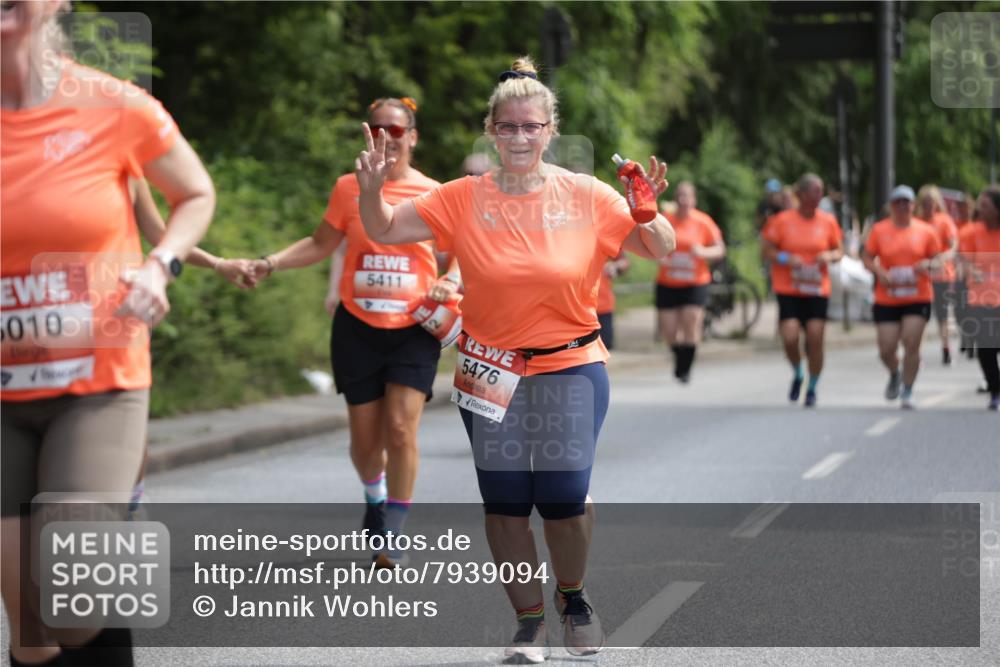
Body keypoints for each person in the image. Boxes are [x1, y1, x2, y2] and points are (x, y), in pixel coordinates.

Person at [354, 56, 675, 661]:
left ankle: (572, 596)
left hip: (569, 363)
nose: (520, 138)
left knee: (562, 497)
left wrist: (647, 211)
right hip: (488, 366)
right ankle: (528, 623)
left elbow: (659, 249)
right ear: (491, 131)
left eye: (532, 127)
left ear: (551, 130)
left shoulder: (585, 194)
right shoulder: (462, 197)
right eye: (508, 128)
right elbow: (388, 227)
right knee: (504, 502)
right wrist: (372, 195)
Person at [1, 2, 215, 665]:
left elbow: (195, 193)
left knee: (79, 597)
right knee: (30, 624)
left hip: (98, 381)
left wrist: (161, 264)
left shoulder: (114, 106)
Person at [239, 97, 458, 567]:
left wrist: (451, 279)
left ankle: (394, 529)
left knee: (400, 429)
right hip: (357, 324)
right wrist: (270, 262)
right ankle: (374, 496)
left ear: (413, 137)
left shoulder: (435, 192)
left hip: (414, 327)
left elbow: (462, 249)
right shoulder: (348, 188)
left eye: (397, 131)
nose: (387, 137)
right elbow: (321, 243)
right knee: (365, 445)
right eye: (378, 128)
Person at [761, 174, 844, 407]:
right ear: (801, 194)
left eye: (820, 191)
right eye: (814, 191)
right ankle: (798, 372)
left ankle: (813, 386)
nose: (819, 196)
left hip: (817, 289)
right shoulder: (782, 221)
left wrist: (828, 256)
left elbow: (839, 252)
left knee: (816, 337)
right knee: (790, 336)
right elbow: (766, 251)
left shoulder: (828, 221)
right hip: (789, 287)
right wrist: (788, 258)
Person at [862, 185, 943, 409]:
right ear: (891, 206)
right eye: (897, 202)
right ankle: (894, 373)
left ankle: (907, 390)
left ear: (913, 205)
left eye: (906, 202)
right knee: (886, 349)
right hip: (887, 296)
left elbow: (938, 262)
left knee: (911, 342)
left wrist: (927, 264)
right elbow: (867, 257)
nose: (902, 206)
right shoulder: (879, 230)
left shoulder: (925, 231)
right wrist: (879, 272)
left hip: (917, 296)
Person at [655, 181, 726, 383]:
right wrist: (659, 255)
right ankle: (680, 355)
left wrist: (703, 252)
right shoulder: (665, 219)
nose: (683, 200)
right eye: (680, 195)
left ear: (694, 200)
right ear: (675, 199)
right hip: (668, 282)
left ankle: (685, 368)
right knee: (668, 331)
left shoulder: (703, 222)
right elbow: (651, 244)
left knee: (691, 322)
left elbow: (720, 249)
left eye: (687, 196)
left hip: (695, 282)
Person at [958, 186, 1000, 410]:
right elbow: (963, 259)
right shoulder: (970, 232)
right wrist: (970, 269)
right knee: (986, 349)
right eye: (979, 205)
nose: (979, 209)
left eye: (985, 205)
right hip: (981, 299)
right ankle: (995, 390)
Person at [916, 185, 959, 365]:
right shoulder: (917, 221)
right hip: (923, 275)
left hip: (941, 274)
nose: (928, 206)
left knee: (942, 315)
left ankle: (946, 347)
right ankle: (916, 352)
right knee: (921, 316)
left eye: (931, 202)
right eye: (925, 203)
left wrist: (944, 256)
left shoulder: (944, 220)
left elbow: (954, 245)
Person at [596, 252, 628, 350]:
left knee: (605, 346)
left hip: (603, 306)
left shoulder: (601, 236)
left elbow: (624, 261)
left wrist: (615, 266)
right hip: (576, 309)